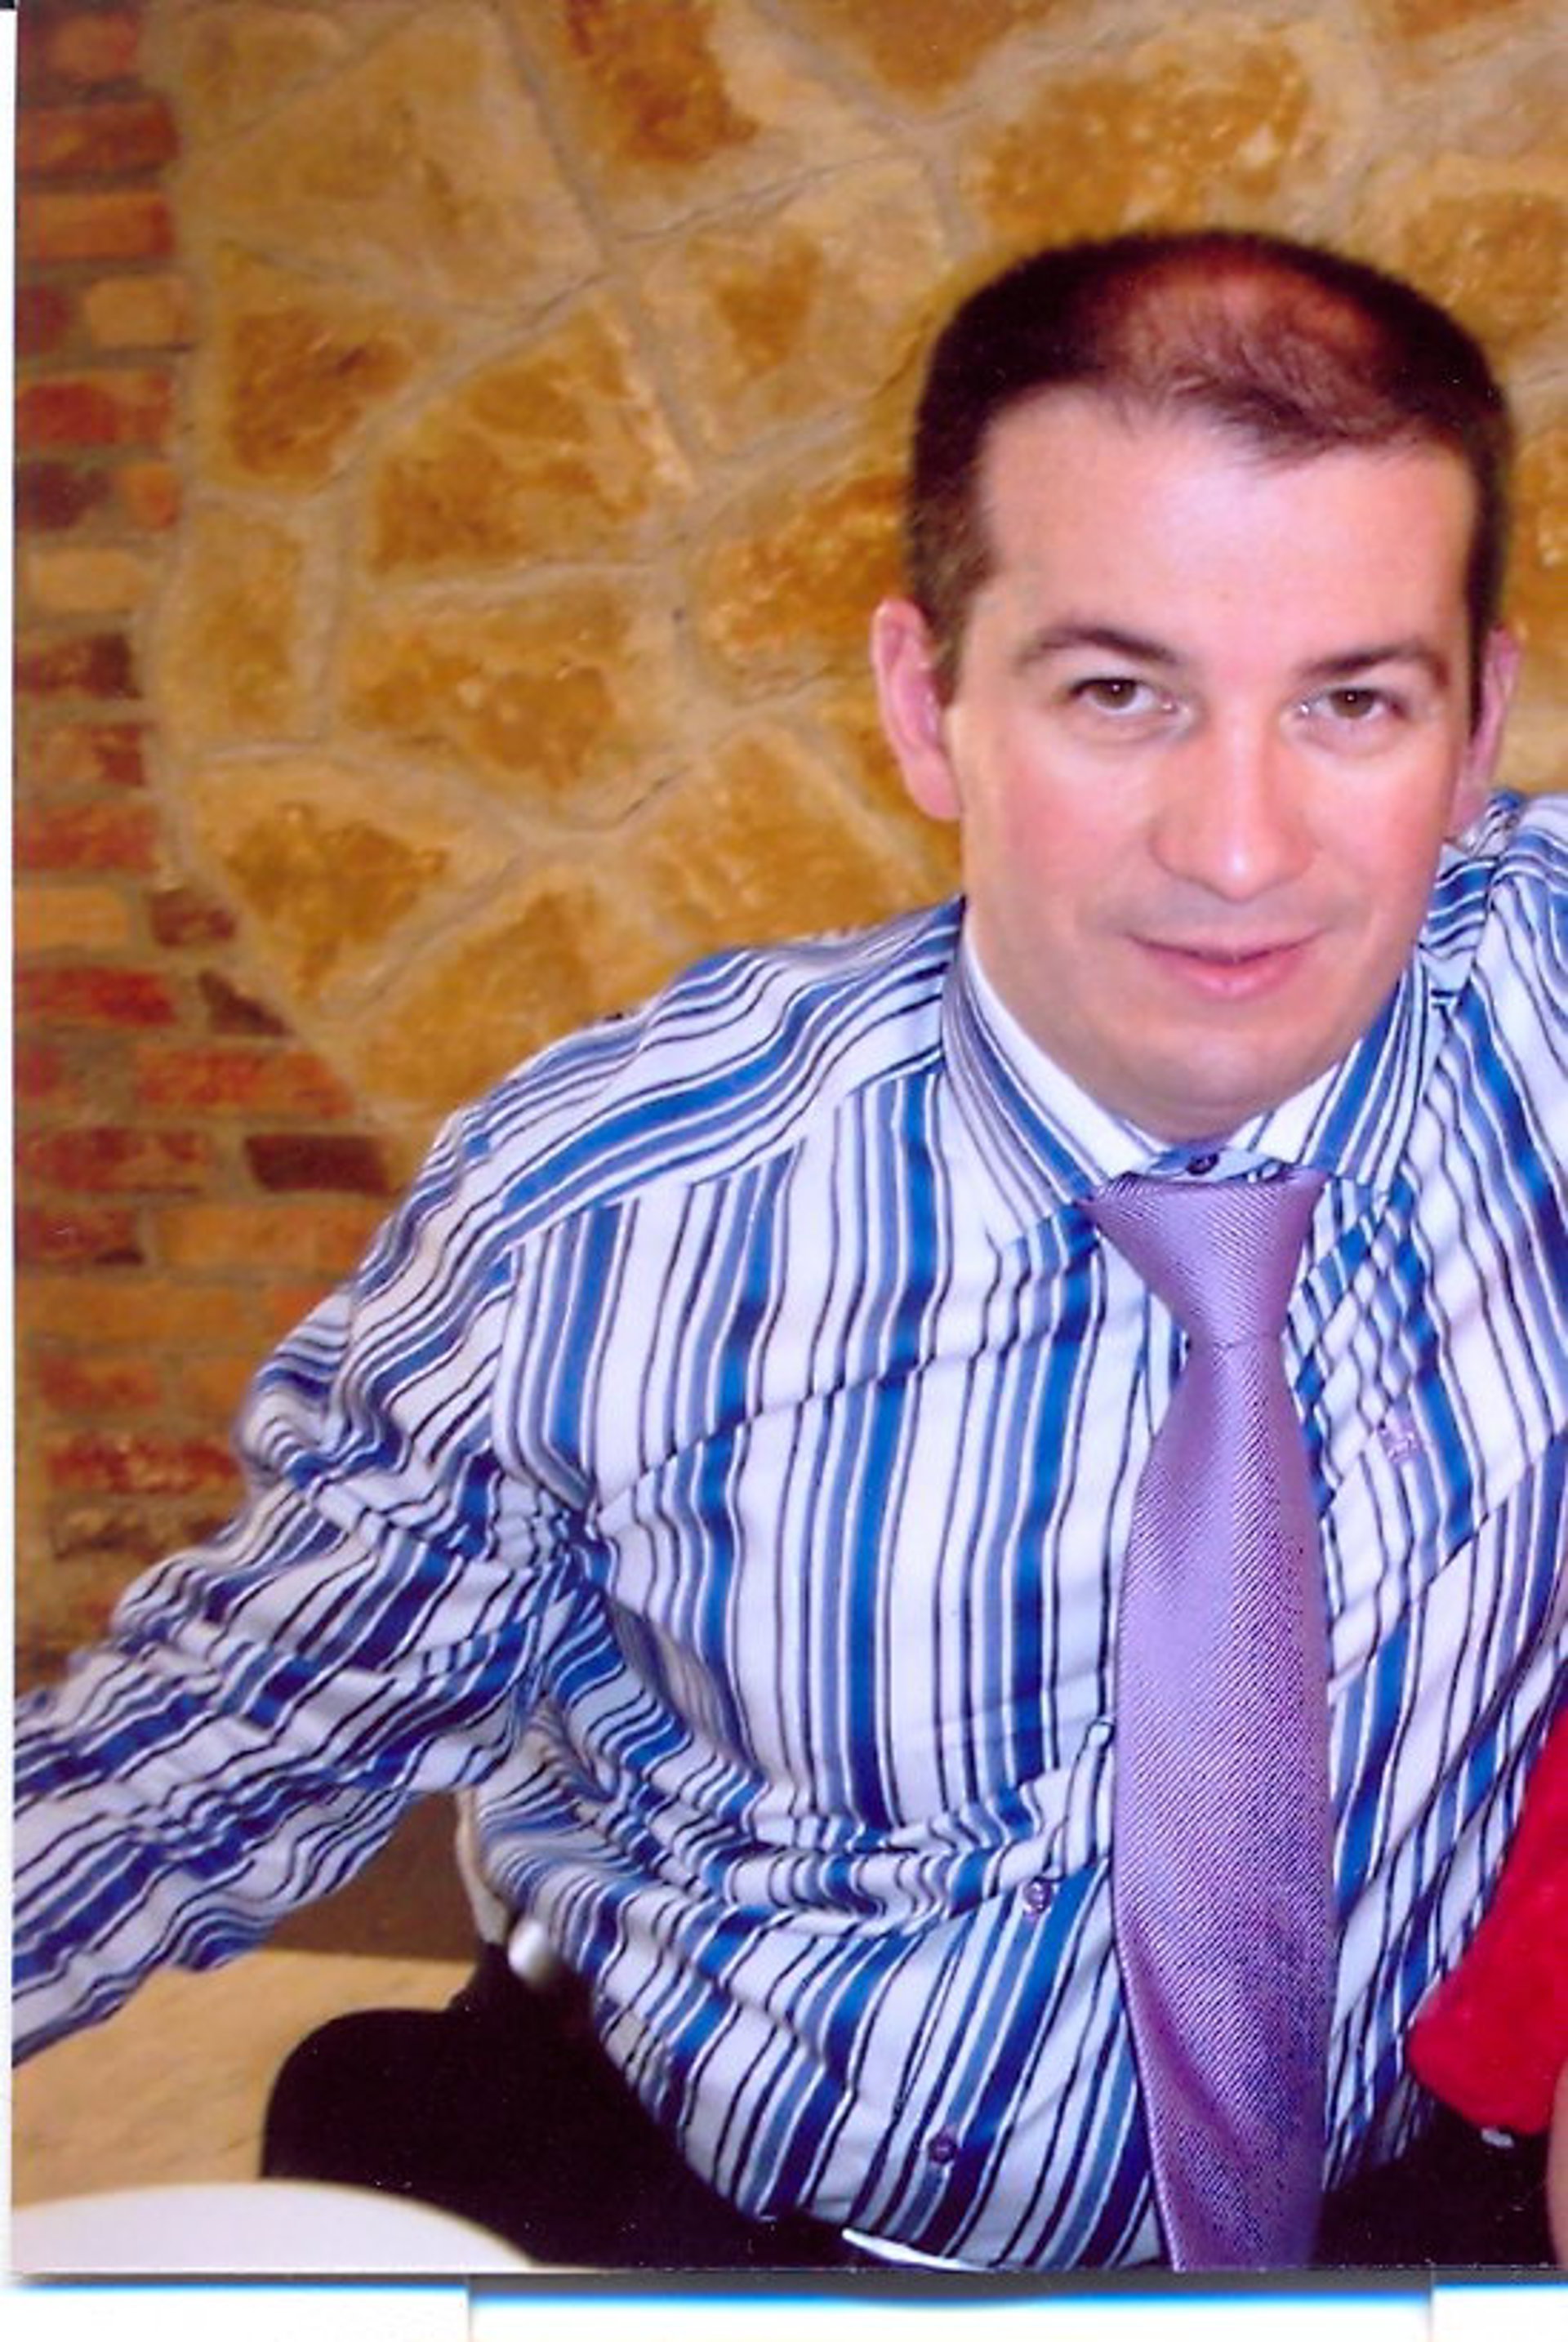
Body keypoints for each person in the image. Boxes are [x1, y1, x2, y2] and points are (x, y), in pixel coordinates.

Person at [13, 229, 1566, 2274]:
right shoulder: (607, 1220)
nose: (1238, 845)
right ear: (926, 705)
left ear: (1476, 730)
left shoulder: (1535, 1001)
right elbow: (209, 1748)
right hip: (730, 2235)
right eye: (1119, 692)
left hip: (1400, 2228)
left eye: (1353, 701)